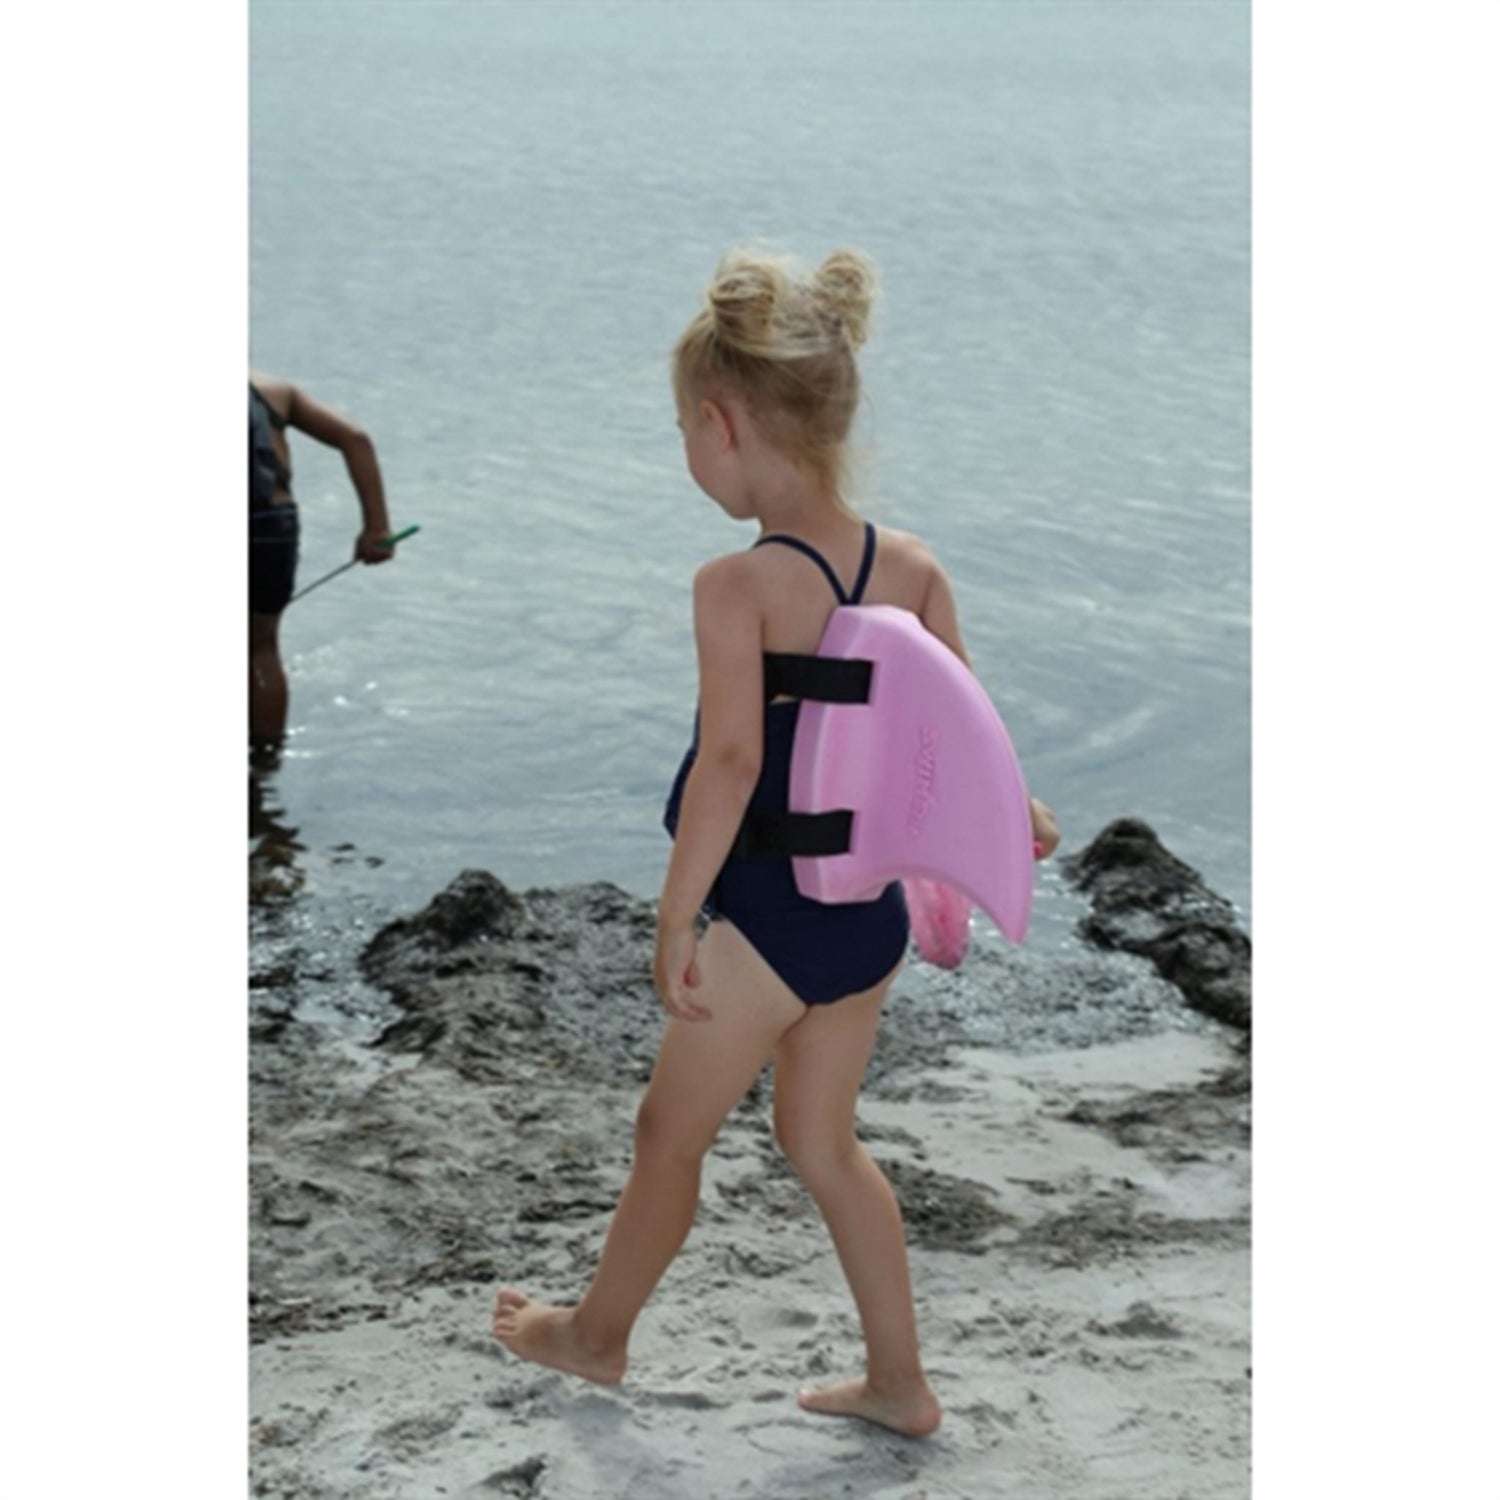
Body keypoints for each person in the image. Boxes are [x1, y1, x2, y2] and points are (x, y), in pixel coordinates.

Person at [492, 249, 1061, 1437]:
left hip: (763, 922)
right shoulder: (912, 568)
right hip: (863, 925)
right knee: (824, 1144)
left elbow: (732, 766)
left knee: (668, 1136)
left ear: (721, 424)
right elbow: (963, 735)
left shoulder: (738, 585)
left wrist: (674, 914)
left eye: (682, 432)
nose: (686, 452)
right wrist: (1018, 821)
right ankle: (900, 1383)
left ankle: (594, 1336)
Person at [249, 370, 397, 754]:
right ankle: (265, 761)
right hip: (271, 526)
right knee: (259, 649)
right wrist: (376, 527)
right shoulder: (275, 391)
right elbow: (355, 439)